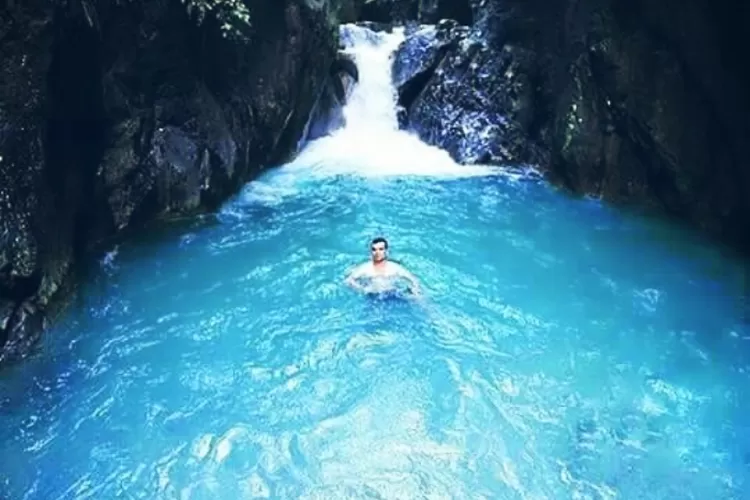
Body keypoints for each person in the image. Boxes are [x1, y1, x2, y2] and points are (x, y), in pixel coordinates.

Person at [345, 236, 422, 297]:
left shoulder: (394, 268)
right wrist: (363, 289)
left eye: (381, 249)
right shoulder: (365, 268)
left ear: (386, 251)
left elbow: (413, 279)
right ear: (371, 252)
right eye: (374, 249)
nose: (377, 252)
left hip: (393, 294)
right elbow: (349, 281)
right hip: (372, 295)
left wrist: (415, 289)